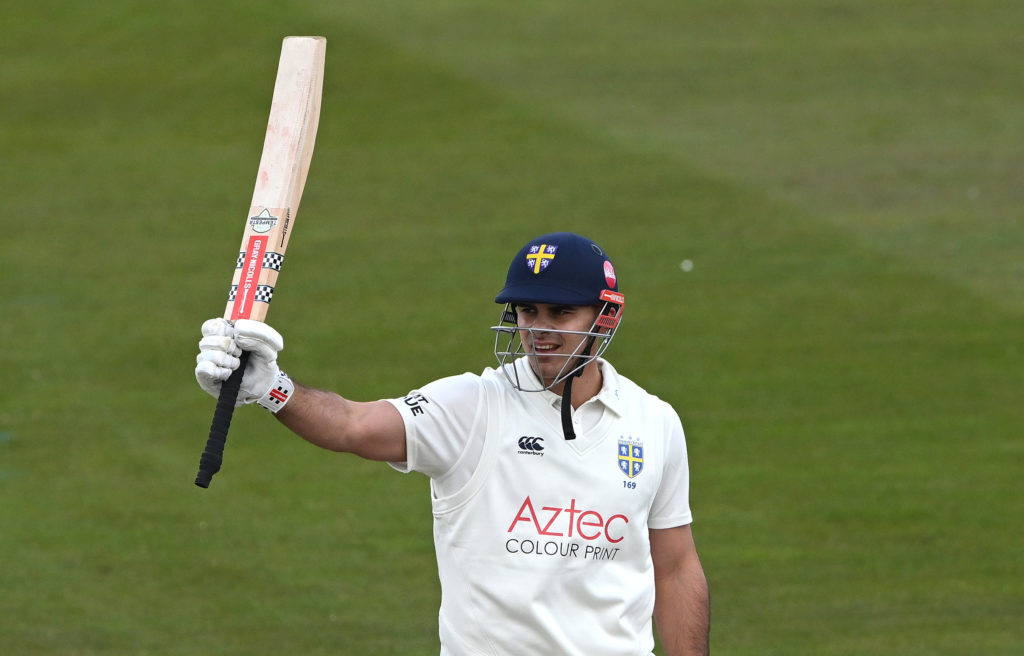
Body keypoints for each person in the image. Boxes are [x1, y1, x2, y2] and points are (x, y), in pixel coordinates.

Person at [195, 231, 710, 655]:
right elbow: (353, 425)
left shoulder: (654, 423)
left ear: (605, 318)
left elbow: (676, 567)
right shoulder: (472, 406)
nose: (539, 330)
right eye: (527, 311)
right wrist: (273, 387)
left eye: (560, 313)